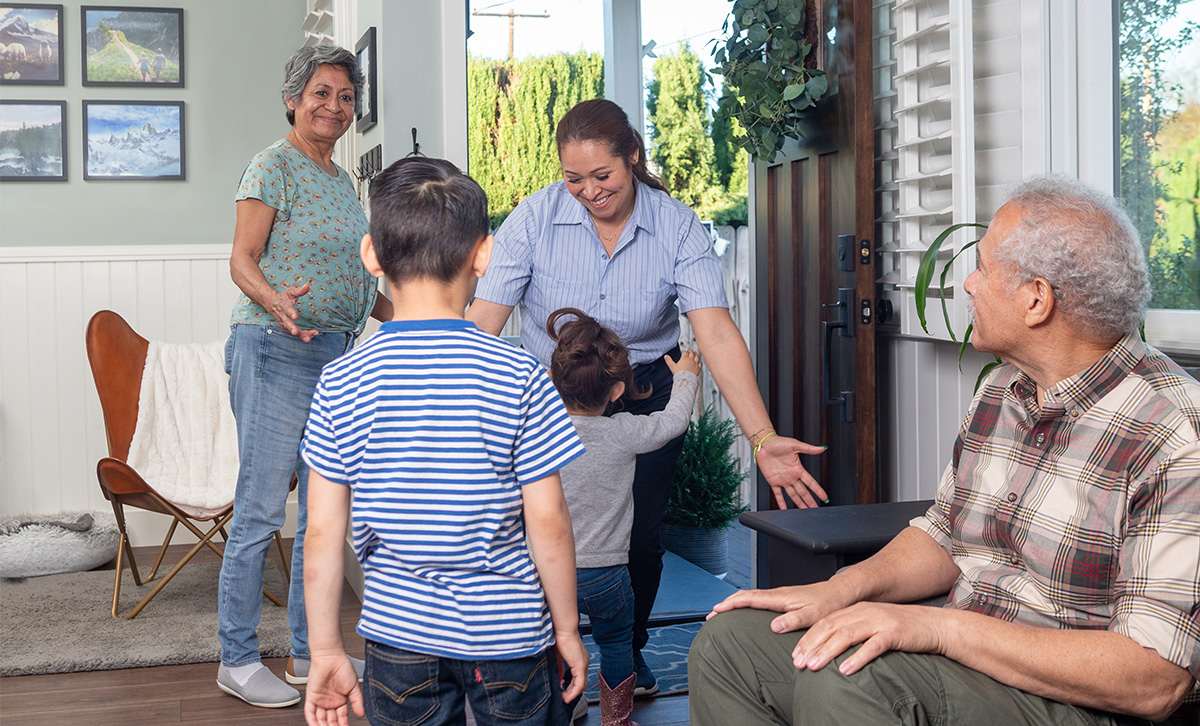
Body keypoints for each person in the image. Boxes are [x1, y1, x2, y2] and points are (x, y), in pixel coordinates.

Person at [688, 175, 1200, 726]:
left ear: (1036, 299)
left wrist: (936, 628)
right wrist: (839, 591)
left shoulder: (1175, 434)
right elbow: (944, 536)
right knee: (730, 645)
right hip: (965, 652)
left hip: (1072, 698)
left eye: (983, 267)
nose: (970, 284)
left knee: (848, 680)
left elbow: (1153, 678)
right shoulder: (1003, 388)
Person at [466, 98, 827, 693]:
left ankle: (621, 664)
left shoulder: (677, 224)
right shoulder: (532, 220)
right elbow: (485, 319)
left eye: (602, 176)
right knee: (534, 527)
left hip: (641, 390)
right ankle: (545, 660)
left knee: (638, 536)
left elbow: (712, 329)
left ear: (632, 156)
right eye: (573, 178)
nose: (588, 191)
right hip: (545, 395)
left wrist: (761, 438)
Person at [300, 156, 589, 726]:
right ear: (484, 254)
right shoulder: (520, 373)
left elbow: (322, 531)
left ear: (372, 256)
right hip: (509, 633)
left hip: (397, 637)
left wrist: (327, 649)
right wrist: (567, 628)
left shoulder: (341, 379)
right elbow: (549, 520)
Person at [216, 45, 392, 709]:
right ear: (294, 99)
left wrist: (414, 320)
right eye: (322, 93)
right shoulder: (274, 164)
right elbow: (242, 258)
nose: (335, 107)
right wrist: (275, 300)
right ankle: (235, 657)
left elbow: (357, 277)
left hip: (338, 359)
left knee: (324, 514)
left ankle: (304, 651)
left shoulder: (343, 181)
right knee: (261, 510)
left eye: (346, 97)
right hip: (274, 348)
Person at [546, 307, 701, 724]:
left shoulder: (539, 434)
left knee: (553, 641)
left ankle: (566, 703)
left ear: (554, 382)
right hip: (608, 575)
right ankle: (616, 718)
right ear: (616, 392)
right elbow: (672, 420)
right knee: (616, 643)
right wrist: (686, 376)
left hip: (548, 572)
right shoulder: (624, 431)